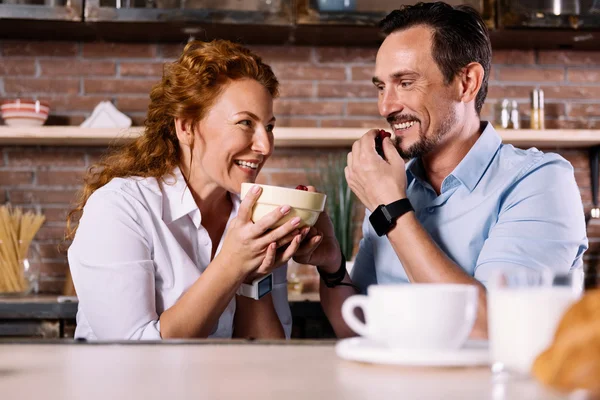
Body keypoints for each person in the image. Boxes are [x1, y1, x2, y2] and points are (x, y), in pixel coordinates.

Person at [296, 2, 588, 339]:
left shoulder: (539, 181)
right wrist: (332, 265)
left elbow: (495, 331)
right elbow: (358, 328)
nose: (386, 106)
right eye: (381, 87)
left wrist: (391, 209)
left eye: (405, 83)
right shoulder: (393, 184)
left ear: (466, 83)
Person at [66, 40, 320, 340]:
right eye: (244, 123)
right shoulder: (119, 209)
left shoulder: (257, 218)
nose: (264, 146)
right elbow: (133, 356)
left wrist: (252, 276)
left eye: (269, 127)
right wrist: (232, 265)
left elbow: (265, 364)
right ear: (186, 127)